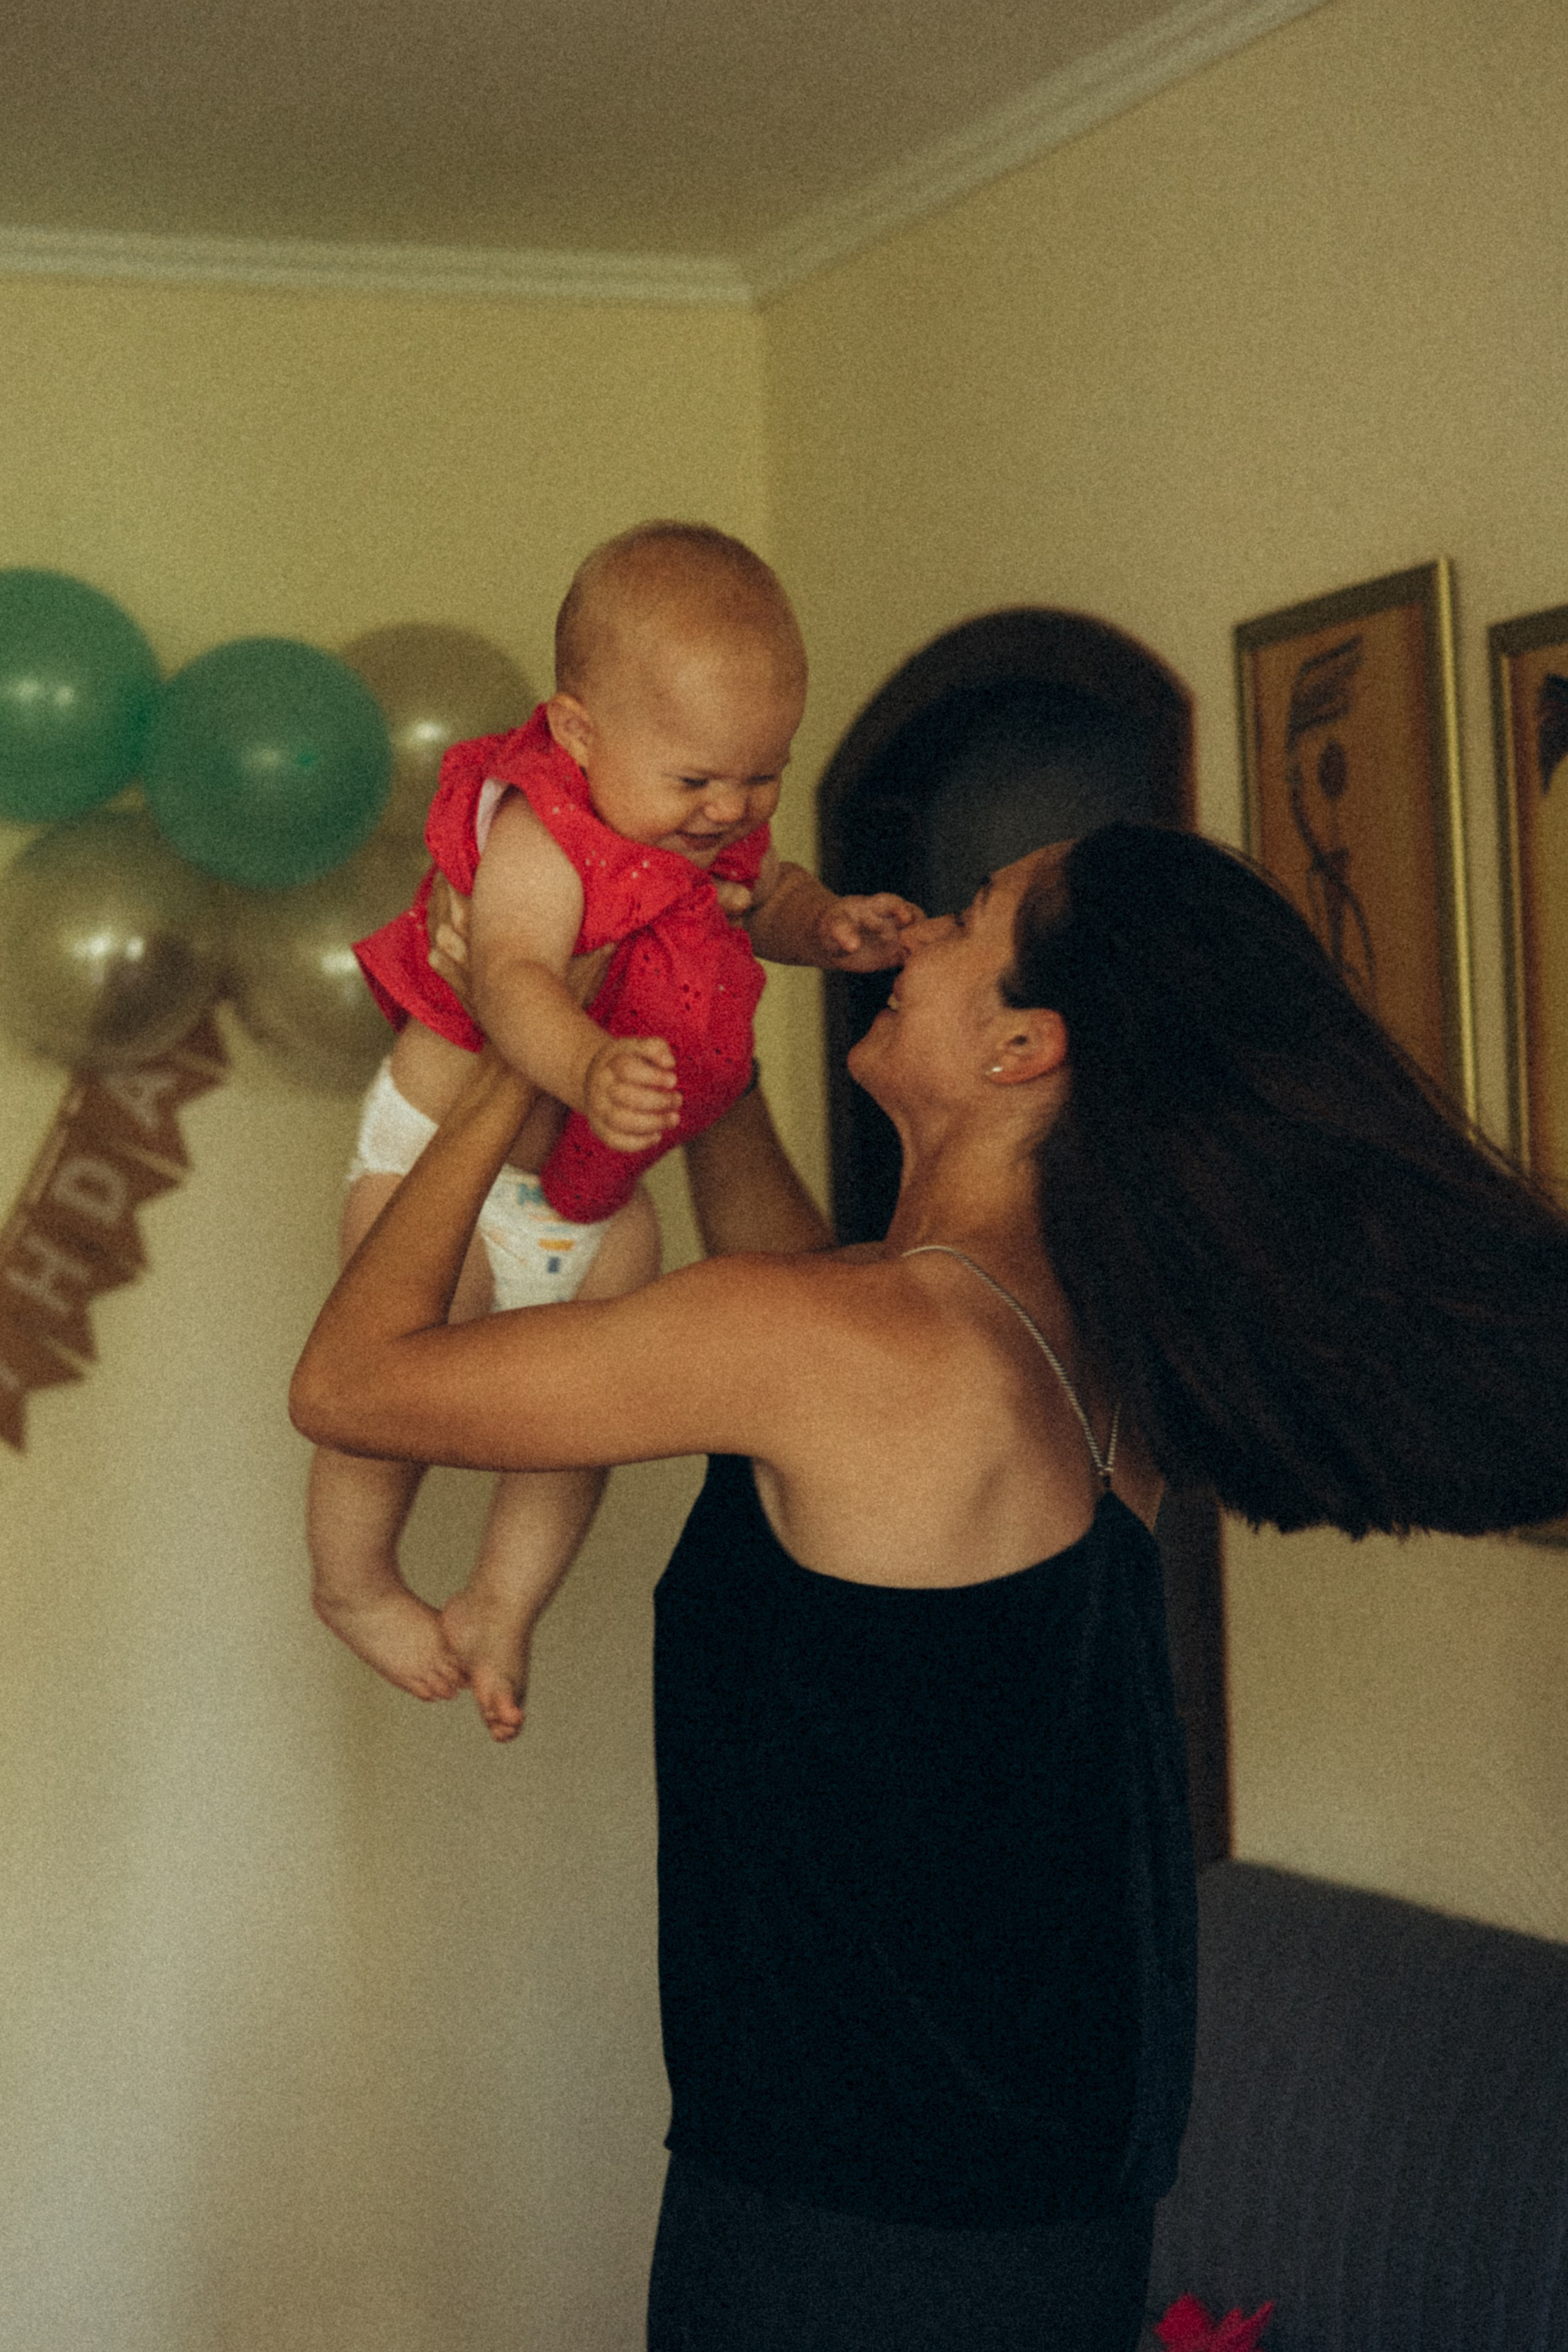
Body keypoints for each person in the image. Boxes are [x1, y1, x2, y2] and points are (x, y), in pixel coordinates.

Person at [292, 822, 1568, 2348]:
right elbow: (798, 1286)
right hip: (1024, 2200)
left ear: (1024, 1046)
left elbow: (351, 1384)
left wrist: (512, 1051)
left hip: (856, 2233)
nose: (918, 934)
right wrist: (695, 1021)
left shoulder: (860, 1346)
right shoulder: (1048, 1330)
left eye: (969, 918)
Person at [308, 521, 918, 1738]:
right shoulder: (542, 834)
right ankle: (355, 1581)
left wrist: (824, 927)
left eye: (761, 776)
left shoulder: (712, 825)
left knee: (586, 1404)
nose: (729, 809)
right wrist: (587, 1064)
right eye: (696, 782)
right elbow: (513, 980)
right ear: (579, 734)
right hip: (442, 1164)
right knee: (396, 1379)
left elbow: (764, 894)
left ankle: (503, 1600)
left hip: (586, 1192)